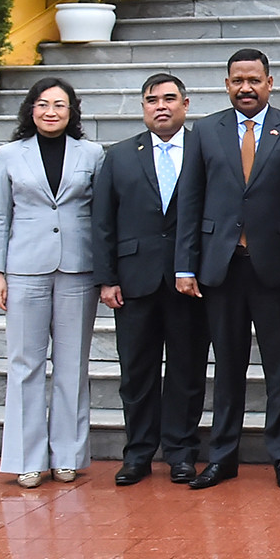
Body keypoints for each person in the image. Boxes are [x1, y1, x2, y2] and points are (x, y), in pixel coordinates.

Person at [175, 47, 280, 490]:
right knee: (228, 366)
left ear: (269, 83)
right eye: (237, 80)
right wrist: (185, 265)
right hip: (221, 267)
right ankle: (222, 456)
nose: (246, 88)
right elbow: (190, 200)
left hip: (276, 268)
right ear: (226, 85)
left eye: (254, 80)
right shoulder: (204, 130)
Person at [91, 73, 209, 486]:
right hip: (134, 281)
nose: (161, 106)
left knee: (187, 370)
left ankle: (181, 451)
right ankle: (138, 453)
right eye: (152, 100)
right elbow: (102, 220)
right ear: (143, 108)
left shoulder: (204, 149)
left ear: (186, 104)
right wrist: (106, 279)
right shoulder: (120, 155)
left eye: (169, 99)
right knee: (136, 372)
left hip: (188, 282)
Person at [0, 78, 104, 489]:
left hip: (78, 270)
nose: (50, 111)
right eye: (41, 104)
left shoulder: (92, 153)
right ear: (30, 110)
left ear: (72, 110)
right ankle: (27, 458)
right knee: (25, 364)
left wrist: (106, 272)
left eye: (59, 104)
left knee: (72, 364)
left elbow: (102, 214)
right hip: (23, 269)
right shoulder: (9, 154)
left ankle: (69, 455)